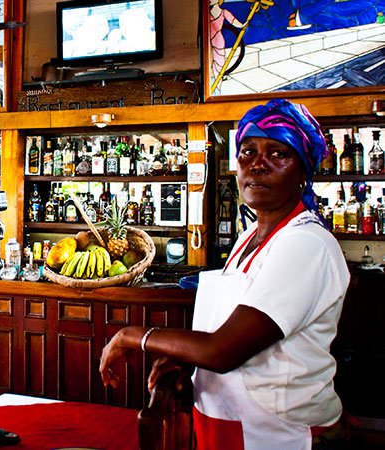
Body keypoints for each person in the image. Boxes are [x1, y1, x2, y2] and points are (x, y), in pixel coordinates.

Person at [99, 98, 350, 450]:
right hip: (230, 425)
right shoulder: (250, 237)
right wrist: (184, 358)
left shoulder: (306, 243)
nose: (258, 165)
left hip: (284, 435)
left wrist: (130, 335)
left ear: (304, 170)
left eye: (278, 153)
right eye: (248, 152)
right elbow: (224, 332)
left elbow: (223, 350)